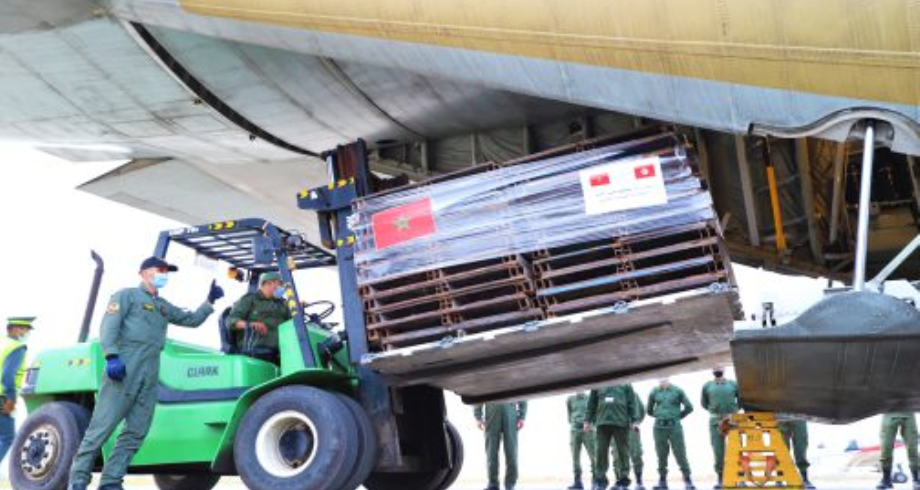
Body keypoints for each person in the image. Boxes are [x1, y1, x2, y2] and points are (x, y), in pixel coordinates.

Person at [68, 256, 223, 490]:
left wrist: (209, 302)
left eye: (166, 271)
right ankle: (78, 481)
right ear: (143, 273)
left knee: (136, 432)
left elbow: (190, 320)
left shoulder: (162, 306)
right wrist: (111, 356)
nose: (164, 274)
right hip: (125, 367)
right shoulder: (126, 296)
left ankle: (111, 482)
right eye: (159, 270)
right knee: (101, 428)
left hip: (150, 372)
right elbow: (109, 327)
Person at [225, 271, 291, 363]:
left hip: (281, 351)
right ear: (268, 283)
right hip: (255, 350)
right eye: (279, 284)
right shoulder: (250, 300)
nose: (282, 288)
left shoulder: (283, 304)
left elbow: (292, 325)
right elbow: (230, 321)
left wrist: (299, 310)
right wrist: (250, 325)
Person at [586, 384, 638, 490]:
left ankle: (623, 480)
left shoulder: (626, 384)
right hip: (602, 422)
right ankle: (601, 480)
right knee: (600, 451)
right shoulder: (598, 384)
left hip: (620, 422)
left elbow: (632, 403)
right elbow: (591, 403)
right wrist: (587, 420)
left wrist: (634, 420)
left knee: (623, 452)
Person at [647, 377, 695, 490]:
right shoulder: (654, 392)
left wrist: (678, 417)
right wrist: (660, 416)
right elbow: (649, 410)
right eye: (660, 378)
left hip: (674, 427)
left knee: (680, 453)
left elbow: (689, 407)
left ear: (669, 378)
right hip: (659, 427)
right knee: (661, 454)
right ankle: (662, 481)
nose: (662, 380)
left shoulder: (678, 391)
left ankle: (688, 480)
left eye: (665, 378)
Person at [0, 316, 34, 462]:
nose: (26, 333)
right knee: (7, 437)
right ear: (13, 329)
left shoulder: (2, 343)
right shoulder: (17, 347)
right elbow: (7, 376)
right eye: (24, 329)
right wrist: (11, 400)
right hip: (3, 396)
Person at [474, 401, 527, 490]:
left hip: (510, 415)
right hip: (492, 414)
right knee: (491, 452)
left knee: (511, 452)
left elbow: (522, 397)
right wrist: (478, 417)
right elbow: (479, 395)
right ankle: (493, 484)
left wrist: (522, 416)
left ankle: (510, 484)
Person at [700, 367, 739, 489]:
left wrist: (733, 411)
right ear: (712, 370)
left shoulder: (733, 384)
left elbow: (741, 400)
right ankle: (721, 478)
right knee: (718, 450)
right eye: (715, 367)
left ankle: (739, 477)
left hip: (732, 420)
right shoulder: (707, 386)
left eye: (720, 366)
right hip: (715, 422)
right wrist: (715, 411)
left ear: (724, 369)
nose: (717, 368)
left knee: (736, 448)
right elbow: (704, 403)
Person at [876, 413, 919, 489]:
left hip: (908, 413)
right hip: (889, 413)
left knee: (912, 448)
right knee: (886, 447)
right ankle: (886, 479)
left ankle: (916, 479)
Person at [567, 392, 597, 490]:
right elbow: (569, 415)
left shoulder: (590, 398)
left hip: (588, 431)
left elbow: (595, 414)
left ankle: (595, 481)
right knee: (575, 457)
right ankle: (577, 482)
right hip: (575, 431)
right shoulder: (570, 399)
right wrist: (574, 424)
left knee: (594, 457)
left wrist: (590, 425)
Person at [778, 417, 815, 490]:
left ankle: (804, 478)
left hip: (798, 416)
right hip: (780, 417)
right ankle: (779, 478)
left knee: (801, 447)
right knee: (781, 449)